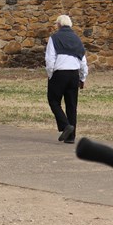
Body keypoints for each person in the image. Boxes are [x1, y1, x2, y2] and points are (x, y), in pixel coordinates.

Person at [45, 14, 88, 144]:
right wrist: (82, 78)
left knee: (53, 101)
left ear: (58, 25)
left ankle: (65, 126)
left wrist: (50, 74)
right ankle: (71, 137)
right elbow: (83, 61)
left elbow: (50, 58)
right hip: (74, 74)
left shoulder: (54, 38)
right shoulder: (77, 39)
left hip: (59, 73)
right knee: (71, 105)